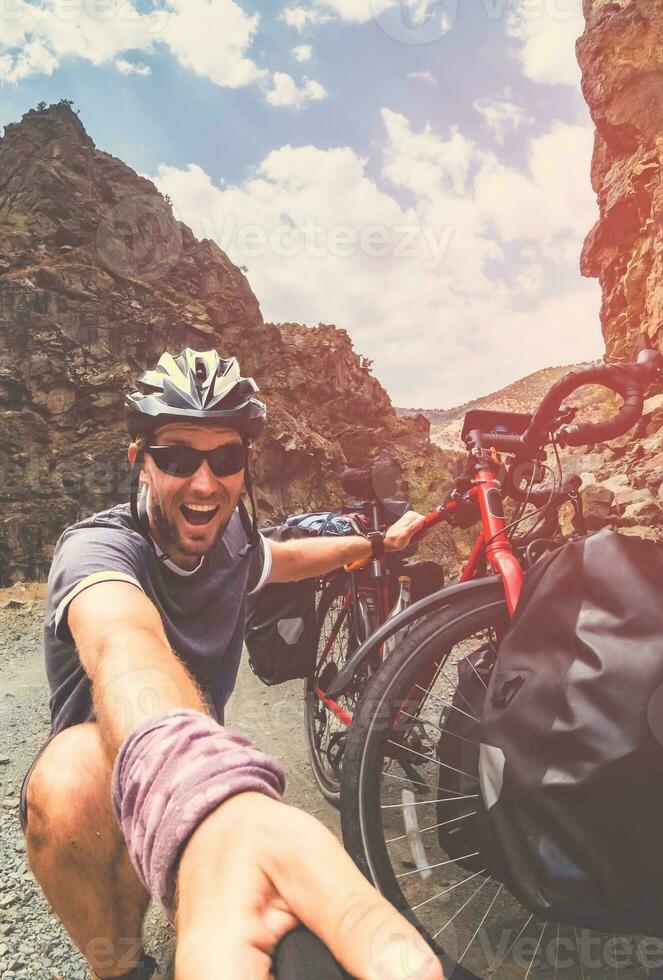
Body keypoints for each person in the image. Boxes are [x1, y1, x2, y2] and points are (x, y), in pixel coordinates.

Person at [19, 348, 442, 980]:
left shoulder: (233, 542)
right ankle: (121, 968)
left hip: (187, 769)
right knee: (70, 777)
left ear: (247, 465)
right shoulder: (98, 548)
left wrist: (375, 544)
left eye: (226, 459)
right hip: (126, 770)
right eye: (178, 458)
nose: (204, 482)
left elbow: (287, 558)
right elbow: (120, 641)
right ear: (140, 463)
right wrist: (203, 786)